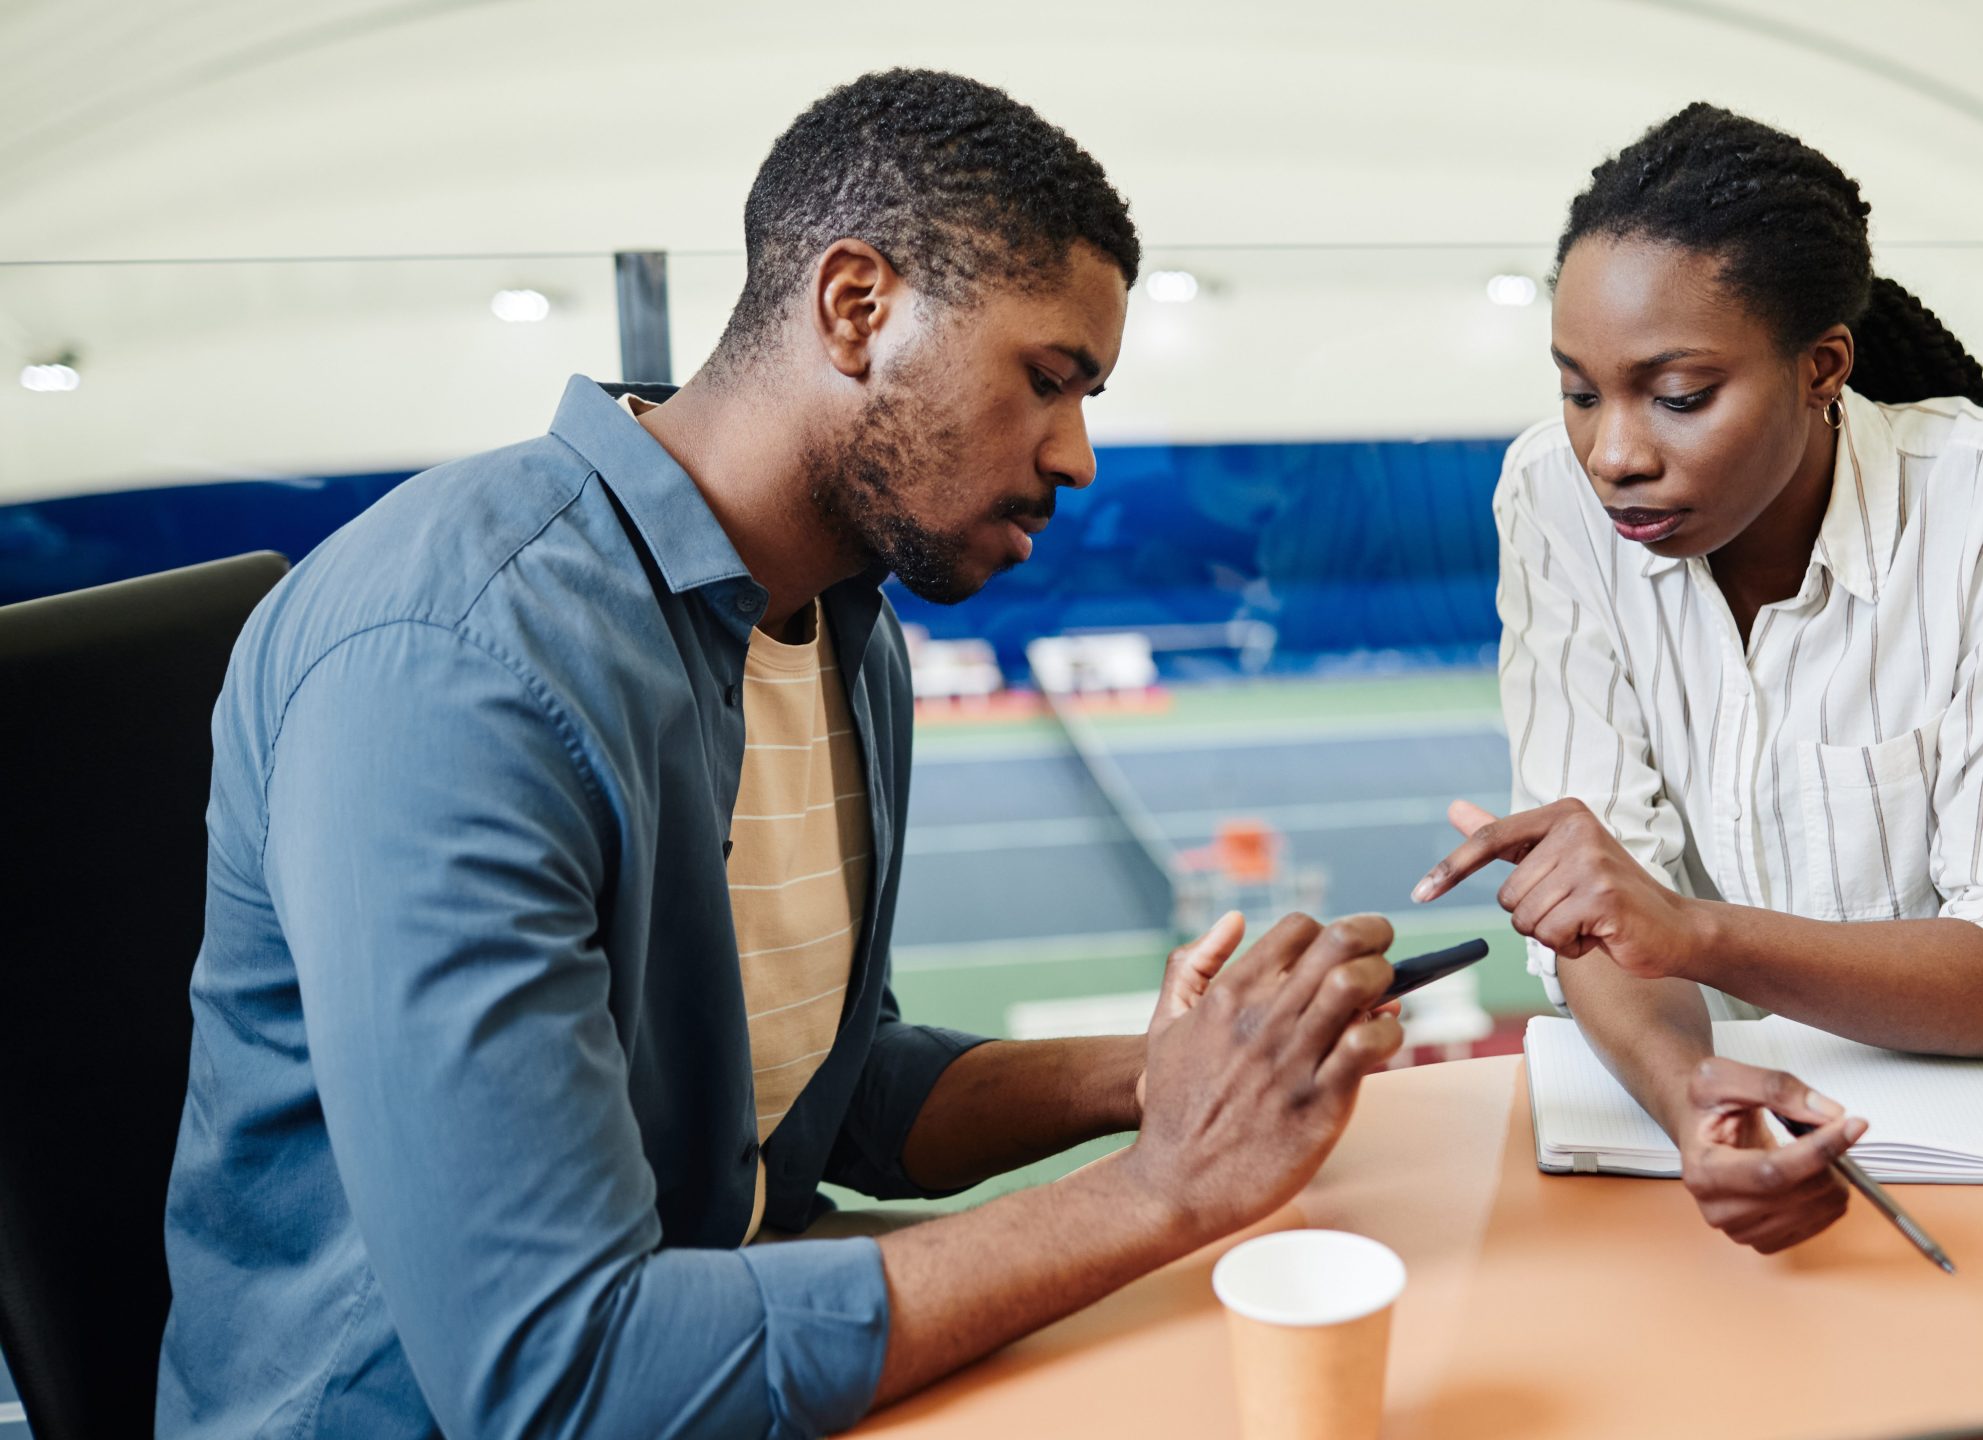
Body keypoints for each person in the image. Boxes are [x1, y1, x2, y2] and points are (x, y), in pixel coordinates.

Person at [159, 70, 1402, 1438]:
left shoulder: (850, 638)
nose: (1082, 456)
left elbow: (825, 1092)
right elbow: (559, 1380)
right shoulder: (453, 659)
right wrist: (1160, 1187)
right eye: (1049, 379)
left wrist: (1162, 1076)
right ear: (855, 306)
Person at [1413, 102, 1983, 1256]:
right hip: (1725, 1099)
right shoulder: (1549, 494)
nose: (1613, 454)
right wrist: (1692, 1096)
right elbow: (1595, 921)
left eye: (1677, 395)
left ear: (1821, 367)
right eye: (1579, 390)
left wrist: (1690, 929)